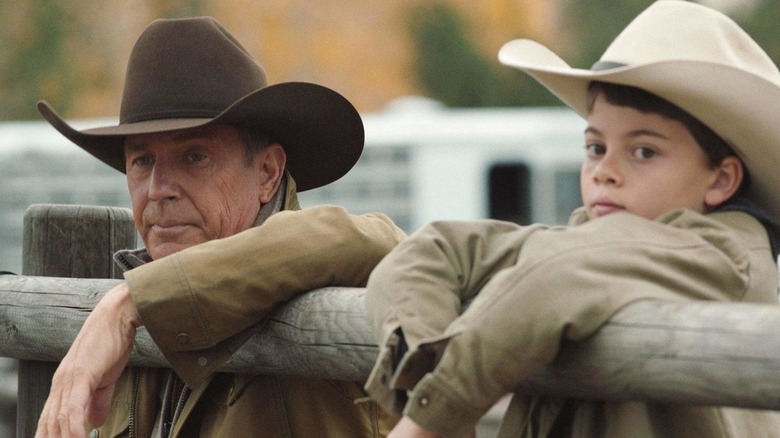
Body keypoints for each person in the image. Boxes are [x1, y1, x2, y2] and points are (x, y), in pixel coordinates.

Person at [363, 1, 780, 437]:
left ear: (722, 179)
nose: (605, 171)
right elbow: (432, 250)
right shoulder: (584, 249)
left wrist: (431, 420)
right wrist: (426, 383)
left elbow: (554, 278)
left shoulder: (724, 254)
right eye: (596, 147)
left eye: (644, 152)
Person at [34, 17, 406, 438]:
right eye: (141, 160)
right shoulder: (136, 316)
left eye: (194, 156)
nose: (158, 190)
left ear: (267, 173)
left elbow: (384, 242)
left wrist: (130, 303)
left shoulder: (319, 270)